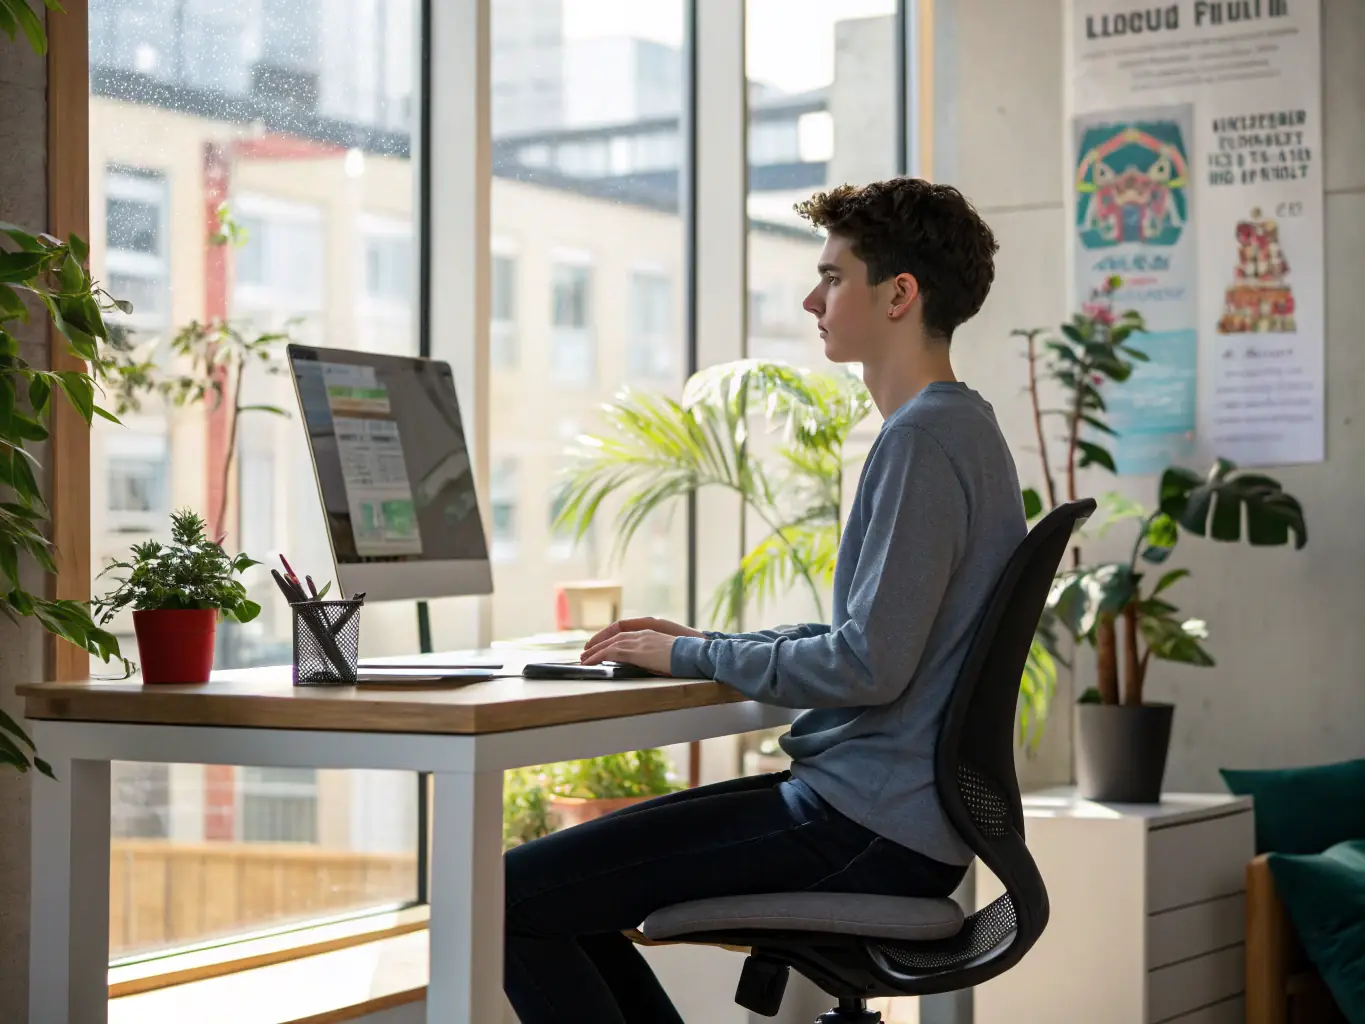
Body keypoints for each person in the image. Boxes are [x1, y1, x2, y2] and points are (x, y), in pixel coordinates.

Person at [504, 177, 1025, 1024]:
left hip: (862, 831)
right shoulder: (960, 429)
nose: (811, 297)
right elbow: (878, 633)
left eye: (832, 276)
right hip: (879, 816)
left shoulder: (924, 440)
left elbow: (867, 662)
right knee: (544, 892)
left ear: (899, 295)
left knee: (509, 897)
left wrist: (688, 655)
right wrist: (703, 640)